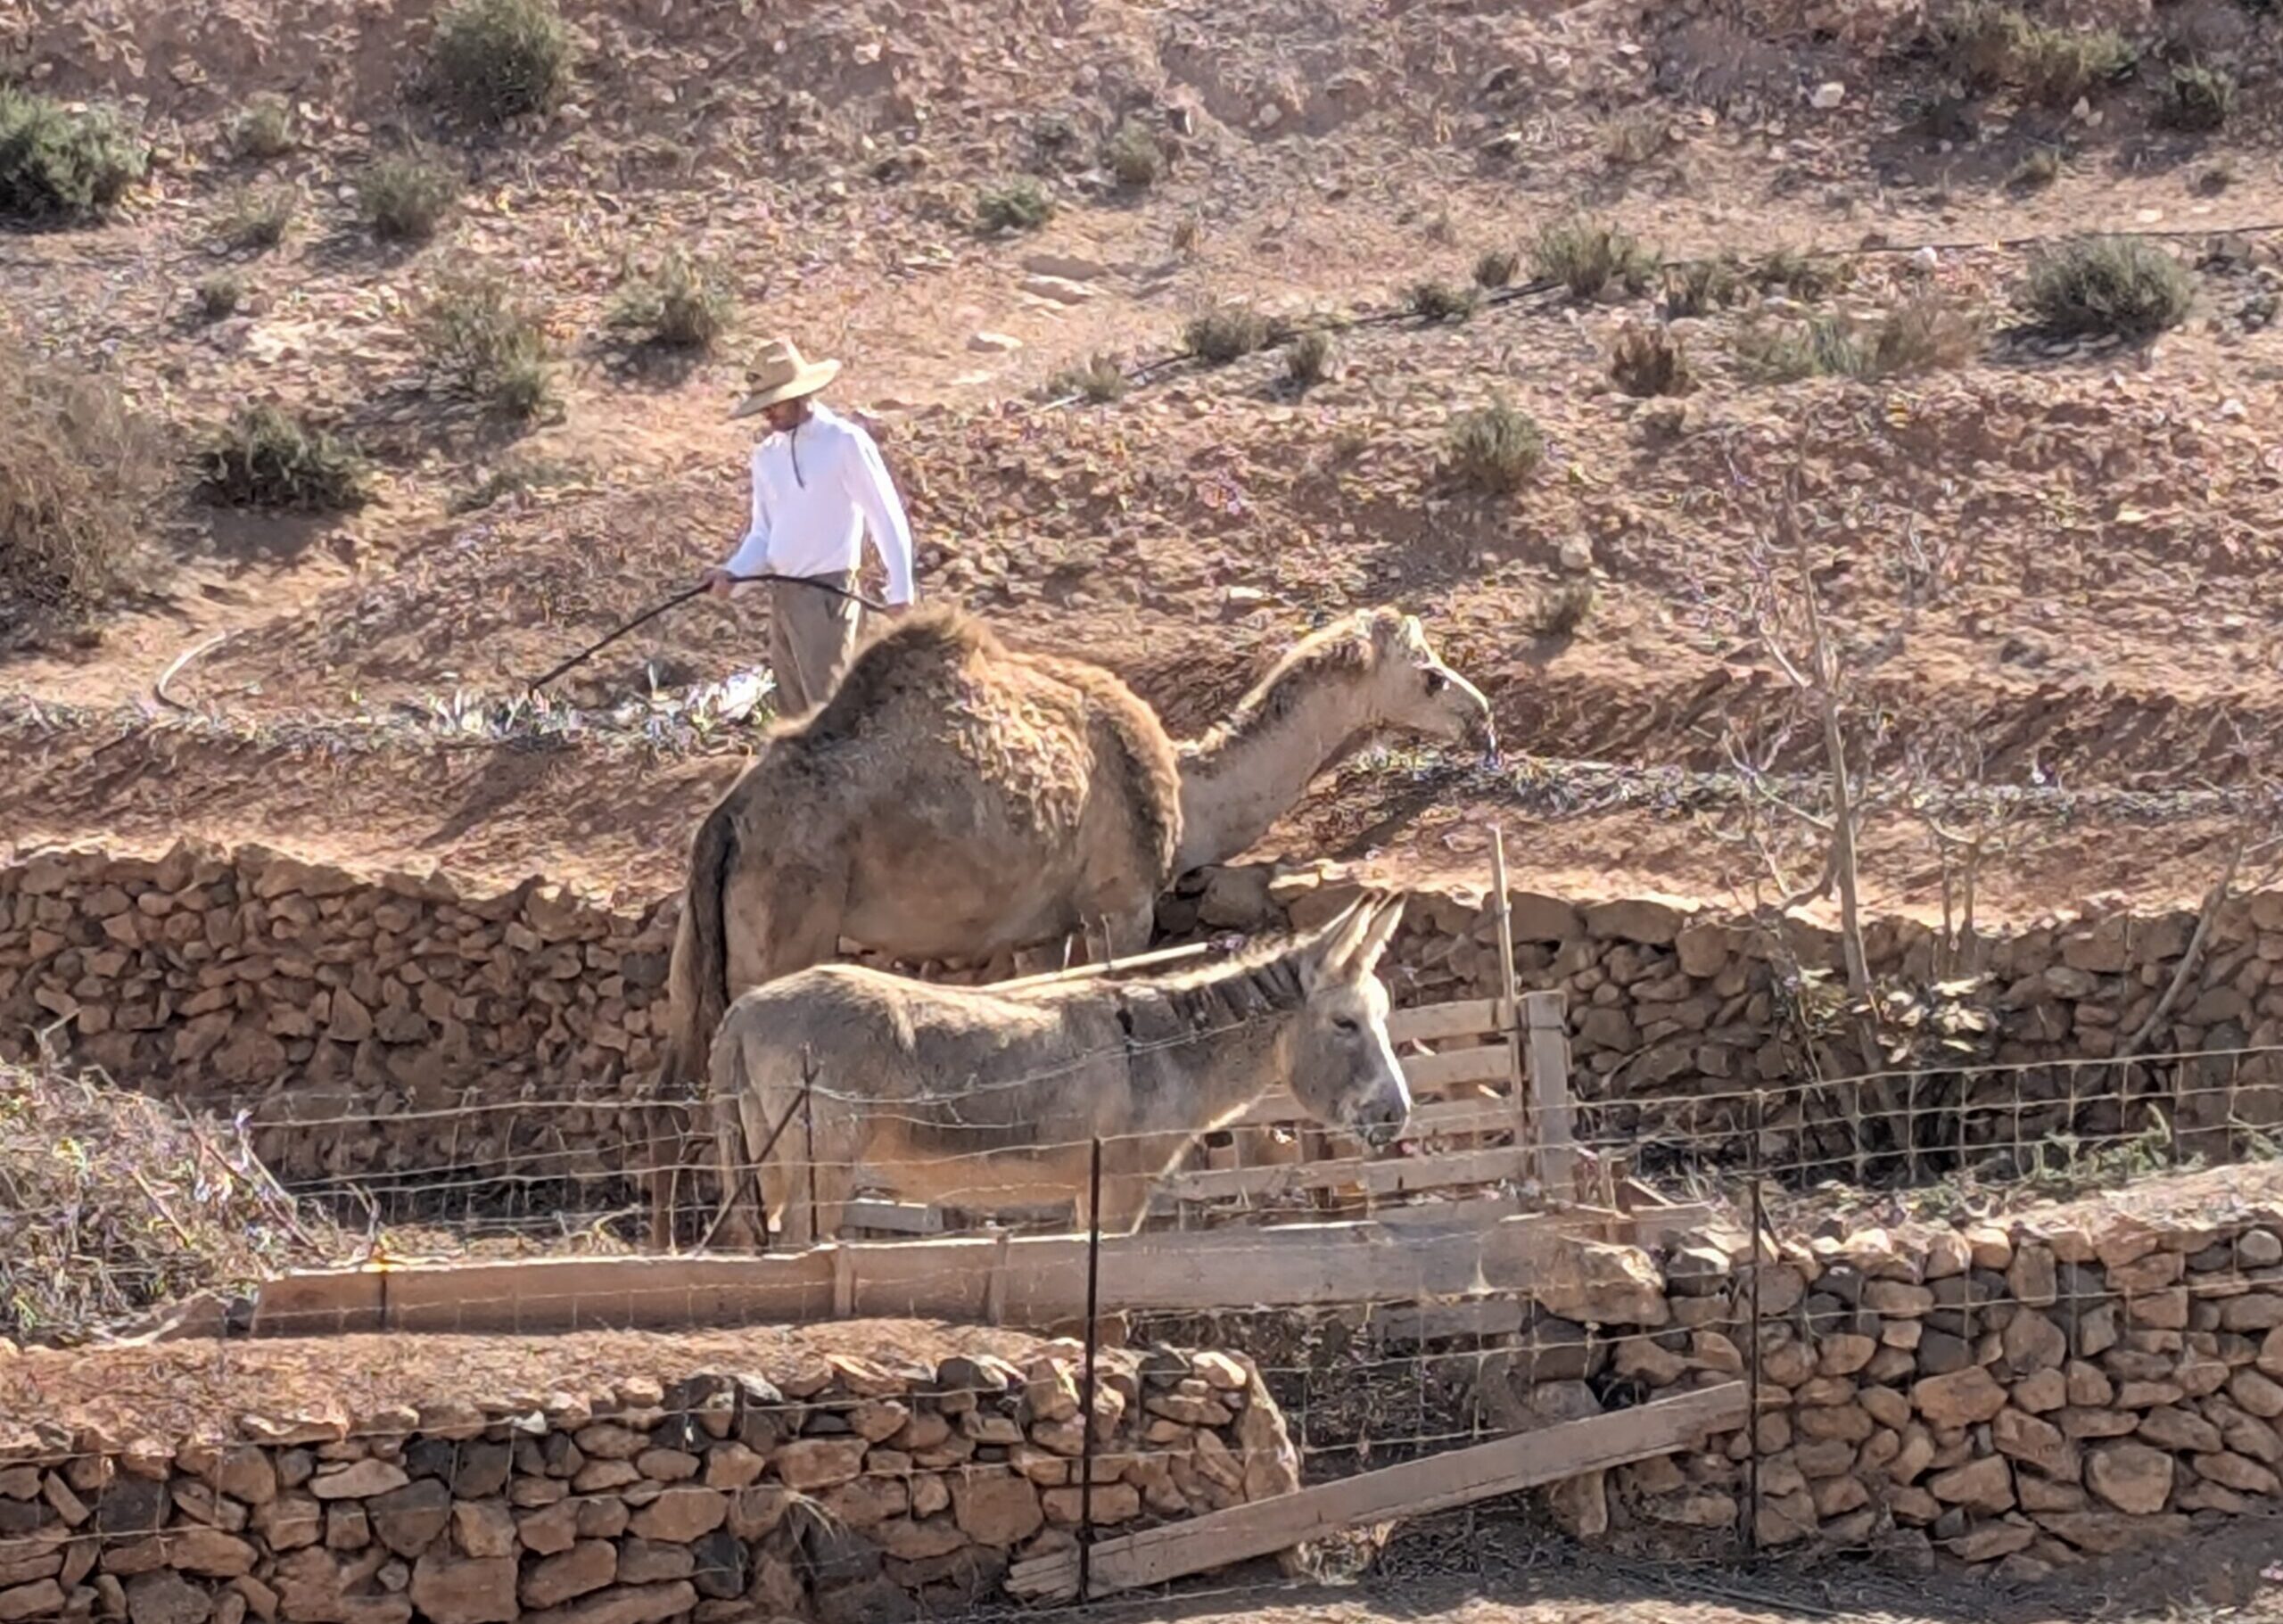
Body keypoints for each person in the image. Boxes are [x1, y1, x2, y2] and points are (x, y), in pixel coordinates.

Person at [705, 335, 916, 716]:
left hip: (828, 597)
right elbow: (763, 534)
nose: (767, 413)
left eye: (773, 403)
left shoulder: (844, 442)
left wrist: (900, 590)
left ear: (798, 395)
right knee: (794, 716)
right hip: (784, 598)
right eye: (762, 404)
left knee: (828, 716)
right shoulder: (766, 456)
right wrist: (734, 574)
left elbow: (885, 515)